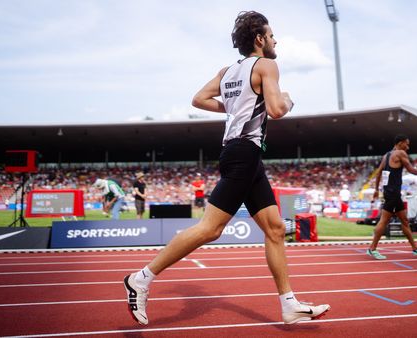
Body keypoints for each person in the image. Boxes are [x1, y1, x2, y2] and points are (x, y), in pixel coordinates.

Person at [123, 11, 330, 326]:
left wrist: (232, 108)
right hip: (245, 151)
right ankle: (141, 277)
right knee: (210, 228)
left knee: (275, 229)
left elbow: (199, 99)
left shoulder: (227, 71)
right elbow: (275, 110)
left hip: (242, 153)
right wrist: (289, 100)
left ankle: (289, 305)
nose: (276, 41)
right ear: (259, 39)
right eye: (272, 36)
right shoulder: (267, 65)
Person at [366, 134, 417, 260]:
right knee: (384, 220)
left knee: (405, 221)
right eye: (406, 144)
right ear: (400, 143)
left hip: (390, 192)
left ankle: (415, 248)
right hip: (392, 193)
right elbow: (410, 169)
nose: (408, 147)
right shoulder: (400, 153)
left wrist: (376, 190)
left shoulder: (387, 155)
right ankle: (372, 249)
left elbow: (379, 172)